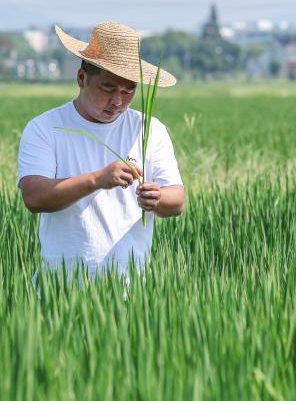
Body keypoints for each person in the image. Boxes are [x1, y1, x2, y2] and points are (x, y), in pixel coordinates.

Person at [17, 22, 185, 281]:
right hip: (59, 289)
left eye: (129, 90)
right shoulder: (45, 128)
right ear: (82, 78)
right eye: (108, 88)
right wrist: (97, 179)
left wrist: (157, 198)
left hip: (132, 289)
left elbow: (177, 200)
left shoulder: (148, 128)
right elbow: (35, 197)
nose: (118, 101)